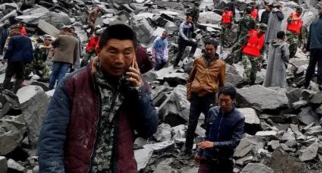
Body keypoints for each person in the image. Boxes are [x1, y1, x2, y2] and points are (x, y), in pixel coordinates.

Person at [38, 24, 158, 173]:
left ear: (134, 55)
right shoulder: (73, 83)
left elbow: (148, 130)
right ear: (98, 51)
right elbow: (52, 137)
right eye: (113, 52)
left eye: (127, 53)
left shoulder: (138, 86)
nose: (120, 60)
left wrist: (139, 93)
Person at [185, 40, 226, 154]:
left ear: (216, 49)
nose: (208, 51)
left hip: (209, 96)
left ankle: (206, 150)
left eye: (211, 49)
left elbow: (222, 84)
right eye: (206, 49)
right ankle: (187, 149)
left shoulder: (220, 64)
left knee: (210, 124)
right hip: (196, 95)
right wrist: (189, 94)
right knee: (192, 123)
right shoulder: (198, 60)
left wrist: (219, 101)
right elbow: (190, 78)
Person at [194, 86, 244, 173]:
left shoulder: (238, 118)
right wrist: (199, 152)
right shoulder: (212, 111)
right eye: (221, 100)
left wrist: (213, 144)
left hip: (224, 160)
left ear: (233, 100)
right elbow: (207, 135)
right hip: (208, 157)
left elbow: (234, 142)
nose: (223, 104)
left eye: (226, 101)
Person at [303, 10, 322, 88]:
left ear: (319, 15)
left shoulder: (313, 24)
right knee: (321, 65)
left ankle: (306, 82)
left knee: (311, 65)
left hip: (313, 47)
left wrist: (307, 48)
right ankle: (320, 83)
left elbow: (310, 36)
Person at [3, 25, 33, 92]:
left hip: (13, 59)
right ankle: (16, 91)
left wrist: (5, 58)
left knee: (8, 75)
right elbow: (30, 50)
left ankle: (4, 90)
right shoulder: (28, 39)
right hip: (23, 61)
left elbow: (9, 49)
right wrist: (29, 60)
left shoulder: (13, 39)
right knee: (19, 76)